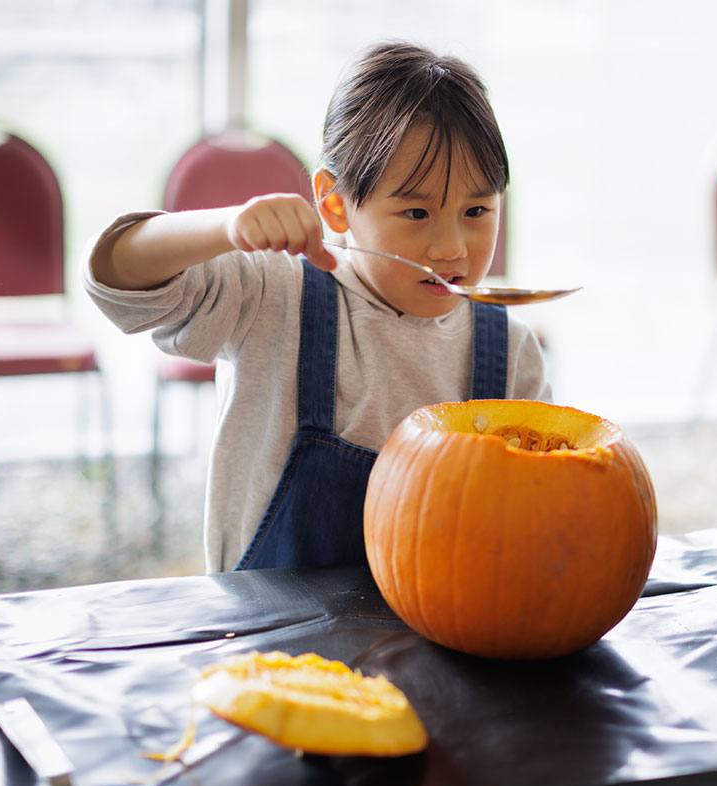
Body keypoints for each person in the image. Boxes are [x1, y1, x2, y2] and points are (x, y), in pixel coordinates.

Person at [85, 41, 551, 572]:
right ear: (334, 203)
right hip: (269, 622)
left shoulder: (511, 353)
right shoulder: (271, 295)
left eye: (476, 211)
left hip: (448, 619)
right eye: (417, 213)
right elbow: (116, 283)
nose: (451, 249)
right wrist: (225, 227)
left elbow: (537, 508)